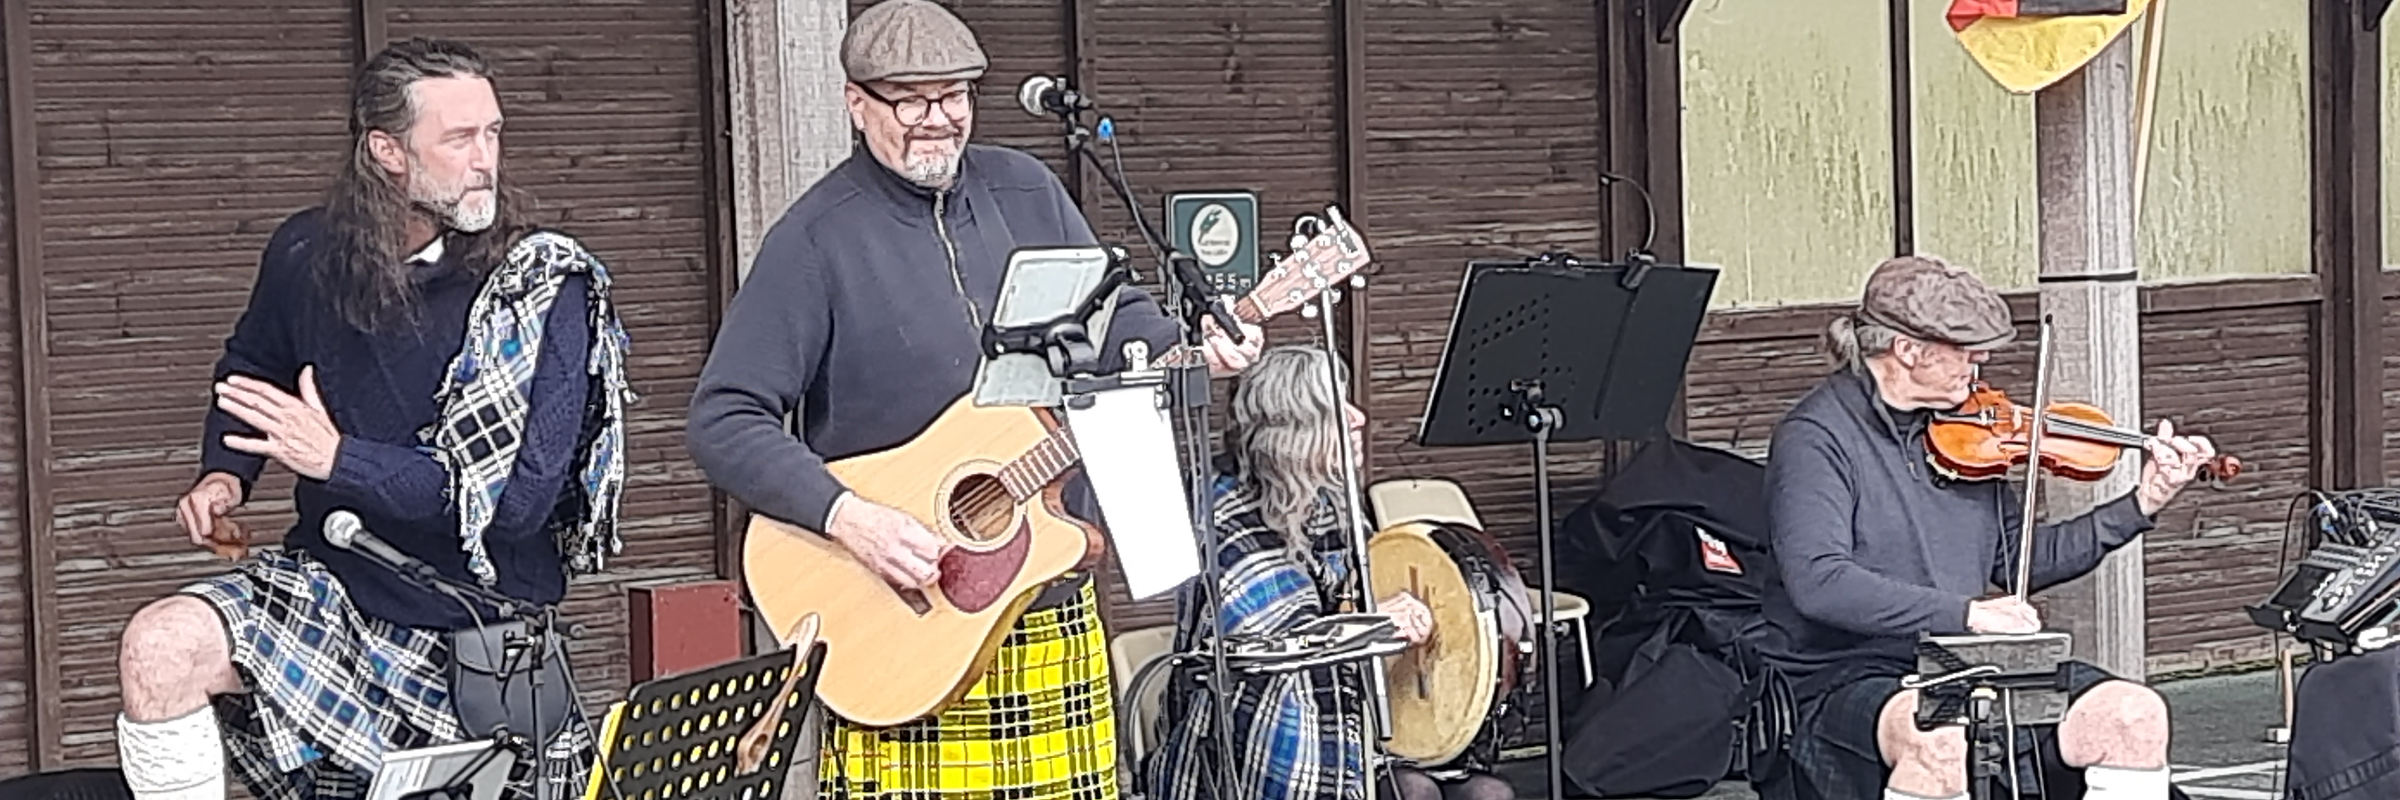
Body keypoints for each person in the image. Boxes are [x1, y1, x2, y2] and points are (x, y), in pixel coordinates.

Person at [682, 1, 1263, 798]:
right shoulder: (814, 240)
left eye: (954, 95)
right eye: (911, 100)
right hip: (904, 624)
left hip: (1046, 593)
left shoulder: (1027, 191)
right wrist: (852, 517)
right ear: (857, 104)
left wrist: (1200, 345)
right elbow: (723, 418)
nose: (938, 120)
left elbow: (1120, 323)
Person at [109, 38, 633, 800]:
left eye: (492, 132)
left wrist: (338, 460)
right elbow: (254, 365)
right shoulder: (307, 252)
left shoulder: (541, 288)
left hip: (478, 632)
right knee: (159, 648)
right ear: (387, 151)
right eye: (458, 139)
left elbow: (514, 507)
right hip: (331, 593)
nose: (485, 157)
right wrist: (227, 471)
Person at [1755, 254, 2213, 800]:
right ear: (1907, 350)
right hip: (1848, 673)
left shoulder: (1965, 433)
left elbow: (2024, 562)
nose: (1981, 364)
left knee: (2134, 715)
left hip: (1966, 661)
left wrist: (2141, 502)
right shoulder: (1816, 438)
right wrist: (1968, 614)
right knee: (1940, 739)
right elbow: (1819, 582)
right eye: (1967, 353)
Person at [1139, 345, 1515, 800]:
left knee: (1488, 795)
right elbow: (1276, 644)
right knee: (1414, 793)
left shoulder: (1331, 500)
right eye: (1337, 408)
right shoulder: (1219, 514)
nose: (1358, 418)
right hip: (1256, 741)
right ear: (1291, 430)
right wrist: (1375, 624)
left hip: (1349, 719)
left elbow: (1364, 589)